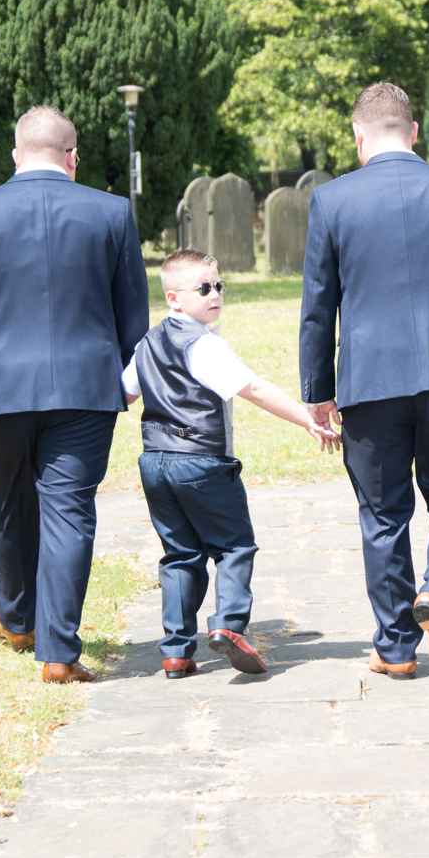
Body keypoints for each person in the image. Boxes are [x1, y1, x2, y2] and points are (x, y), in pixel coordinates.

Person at [0, 106, 150, 684]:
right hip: (86, 390)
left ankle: (17, 621)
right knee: (70, 514)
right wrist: (134, 381)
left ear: (16, 153)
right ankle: (57, 652)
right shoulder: (112, 212)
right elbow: (132, 312)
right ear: (73, 157)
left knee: (10, 499)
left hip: (1, 389)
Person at [299, 83, 429, 679]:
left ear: (358, 136)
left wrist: (317, 390)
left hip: (369, 380)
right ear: (414, 132)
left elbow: (319, 305)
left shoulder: (332, 200)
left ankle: (395, 649)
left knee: (383, 512)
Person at [123, 249, 339, 680]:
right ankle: (228, 625)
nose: (215, 294)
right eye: (203, 288)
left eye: (219, 285)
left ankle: (176, 652)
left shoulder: (148, 341)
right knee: (234, 546)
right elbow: (254, 388)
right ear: (174, 298)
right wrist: (307, 419)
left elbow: (126, 392)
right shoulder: (204, 345)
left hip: (155, 462)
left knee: (181, 555)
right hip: (201, 461)